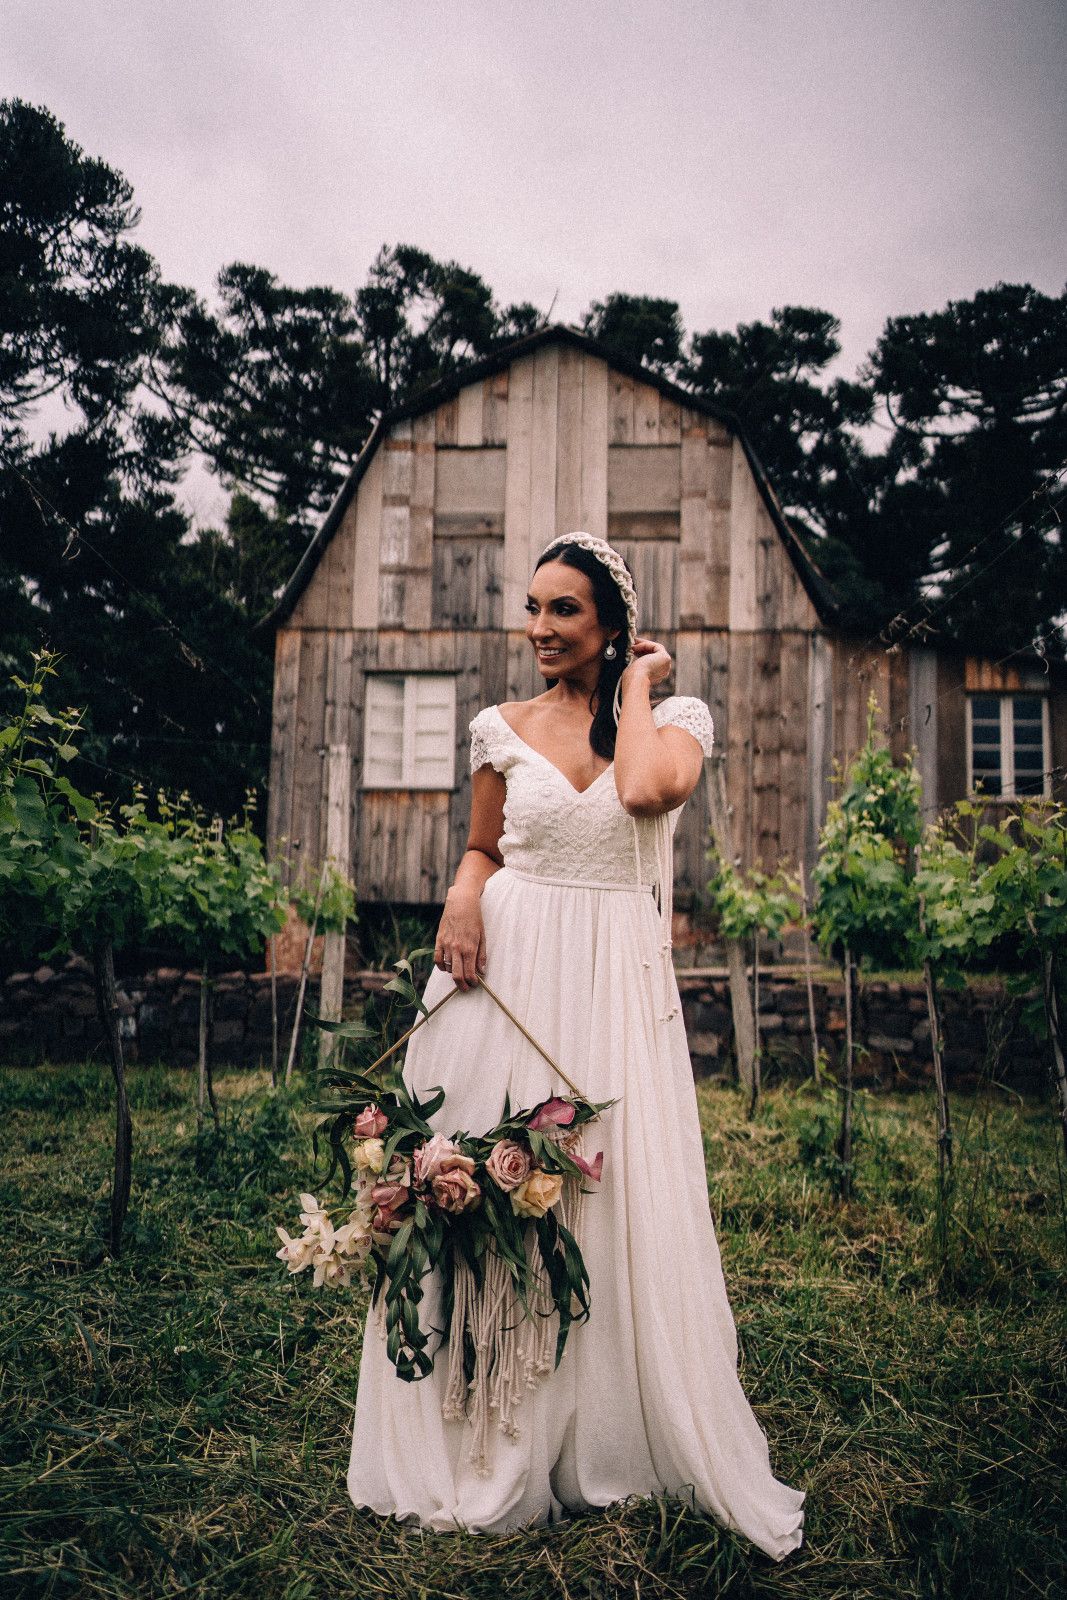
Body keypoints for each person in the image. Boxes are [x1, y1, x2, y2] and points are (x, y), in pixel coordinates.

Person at [347, 532, 805, 1560]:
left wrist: (637, 683)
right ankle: (476, 1422)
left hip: (608, 977)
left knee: (597, 1192)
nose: (540, 629)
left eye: (564, 611)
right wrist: (462, 897)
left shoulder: (673, 720)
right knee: (483, 1176)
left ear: (611, 624)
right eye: (534, 608)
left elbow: (642, 792)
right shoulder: (496, 726)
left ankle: (596, 1427)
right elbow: (478, 843)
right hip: (501, 968)